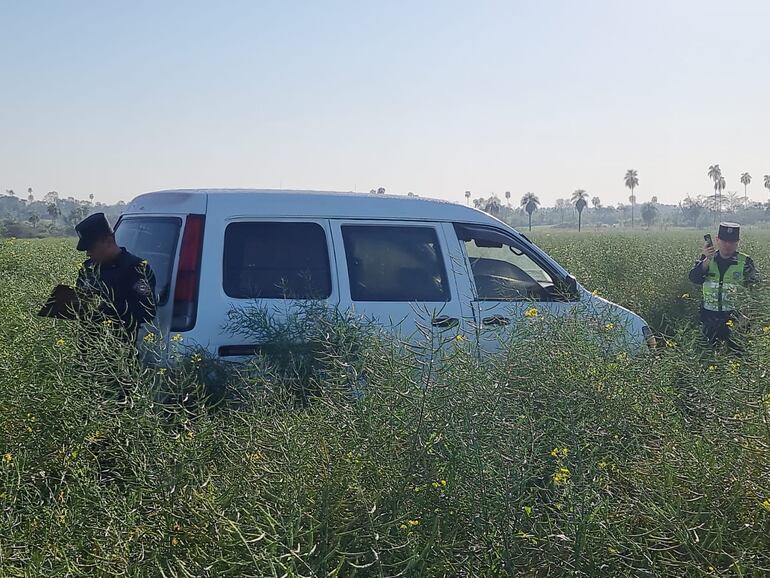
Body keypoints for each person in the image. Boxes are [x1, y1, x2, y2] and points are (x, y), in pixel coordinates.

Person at [73, 212, 157, 343]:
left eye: (91, 248)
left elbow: (147, 311)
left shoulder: (135, 268)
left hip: (119, 348)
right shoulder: (88, 268)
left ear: (108, 241)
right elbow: (77, 302)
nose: (88, 254)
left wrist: (106, 307)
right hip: (87, 348)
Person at [688, 222, 759, 349]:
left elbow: (756, 290)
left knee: (735, 358)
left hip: (736, 320)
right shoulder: (707, 259)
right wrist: (706, 259)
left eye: (732, 242)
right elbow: (694, 278)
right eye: (724, 241)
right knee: (707, 357)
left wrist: (747, 315)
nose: (728, 245)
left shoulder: (745, 262)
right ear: (717, 240)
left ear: (737, 243)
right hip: (709, 318)